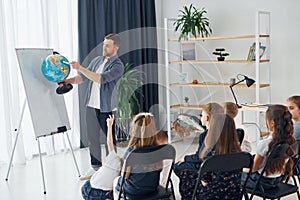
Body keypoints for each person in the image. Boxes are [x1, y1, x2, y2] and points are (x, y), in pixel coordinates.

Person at [62, 33, 124, 180]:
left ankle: (112, 168)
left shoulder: (118, 66)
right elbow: (82, 78)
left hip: (106, 108)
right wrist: (67, 81)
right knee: (92, 138)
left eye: (108, 45)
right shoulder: (97, 61)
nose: (104, 47)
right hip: (91, 106)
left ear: (116, 47)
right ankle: (95, 168)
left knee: (110, 140)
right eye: (104, 44)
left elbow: (100, 79)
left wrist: (80, 67)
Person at [179, 114, 242, 199]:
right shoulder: (241, 155)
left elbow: (205, 182)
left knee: (186, 175)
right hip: (234, 194)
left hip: (212, 195)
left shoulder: (211, 157)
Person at [241, 104, 296, 189]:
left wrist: (242, 169)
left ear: (272, 123)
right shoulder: (289, 140)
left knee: (236, 175)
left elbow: (253, 169)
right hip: (277, 180)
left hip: (261, 183)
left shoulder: (264, 143)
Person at [112, 113, 161, 199]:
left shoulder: (132, 151)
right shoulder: (158, 149)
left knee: (116, 181)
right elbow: (160, 168)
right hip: (152, 188)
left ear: (134, 130)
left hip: (134, 190)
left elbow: (125, 175)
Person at [173, 102, 224, 176]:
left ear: (207, 118)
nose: (201, 118)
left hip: (205, 168)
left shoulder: (205, 135)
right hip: (219, 167)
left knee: (177, 166)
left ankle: (193, 185)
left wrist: (185, 158)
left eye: (201, 115)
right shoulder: (225, 133)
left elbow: (199, 157)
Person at [81, 115, 122, 200]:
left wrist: (109, 126)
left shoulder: (114, 158)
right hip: (95, 192)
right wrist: (109, 126)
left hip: (88, 186)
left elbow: (109, 142)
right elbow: (110, 142)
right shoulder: (117, 162)